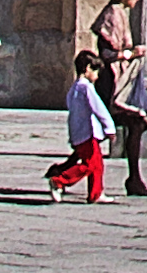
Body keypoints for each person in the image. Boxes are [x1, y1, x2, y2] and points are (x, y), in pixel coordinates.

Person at [91, 0, 147, 196]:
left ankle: (135, 178)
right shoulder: (112, 16)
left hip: (116, 80)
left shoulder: (119, 14)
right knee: (133, 123)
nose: (137, 2)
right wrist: (129, 54)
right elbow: (106, 53)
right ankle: (134, 179)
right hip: (109, 83)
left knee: (133, 124)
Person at [47, 53, 117, 204]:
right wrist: (109, 128)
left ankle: (96, 193)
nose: (97, 76)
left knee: (97, 163)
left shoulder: (74, 89)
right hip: (87, 133)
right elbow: (99, 109)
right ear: (87, 69)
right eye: (95, 71)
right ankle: (59, 181)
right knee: (89, 165)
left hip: (79, 132)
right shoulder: (86, 88)